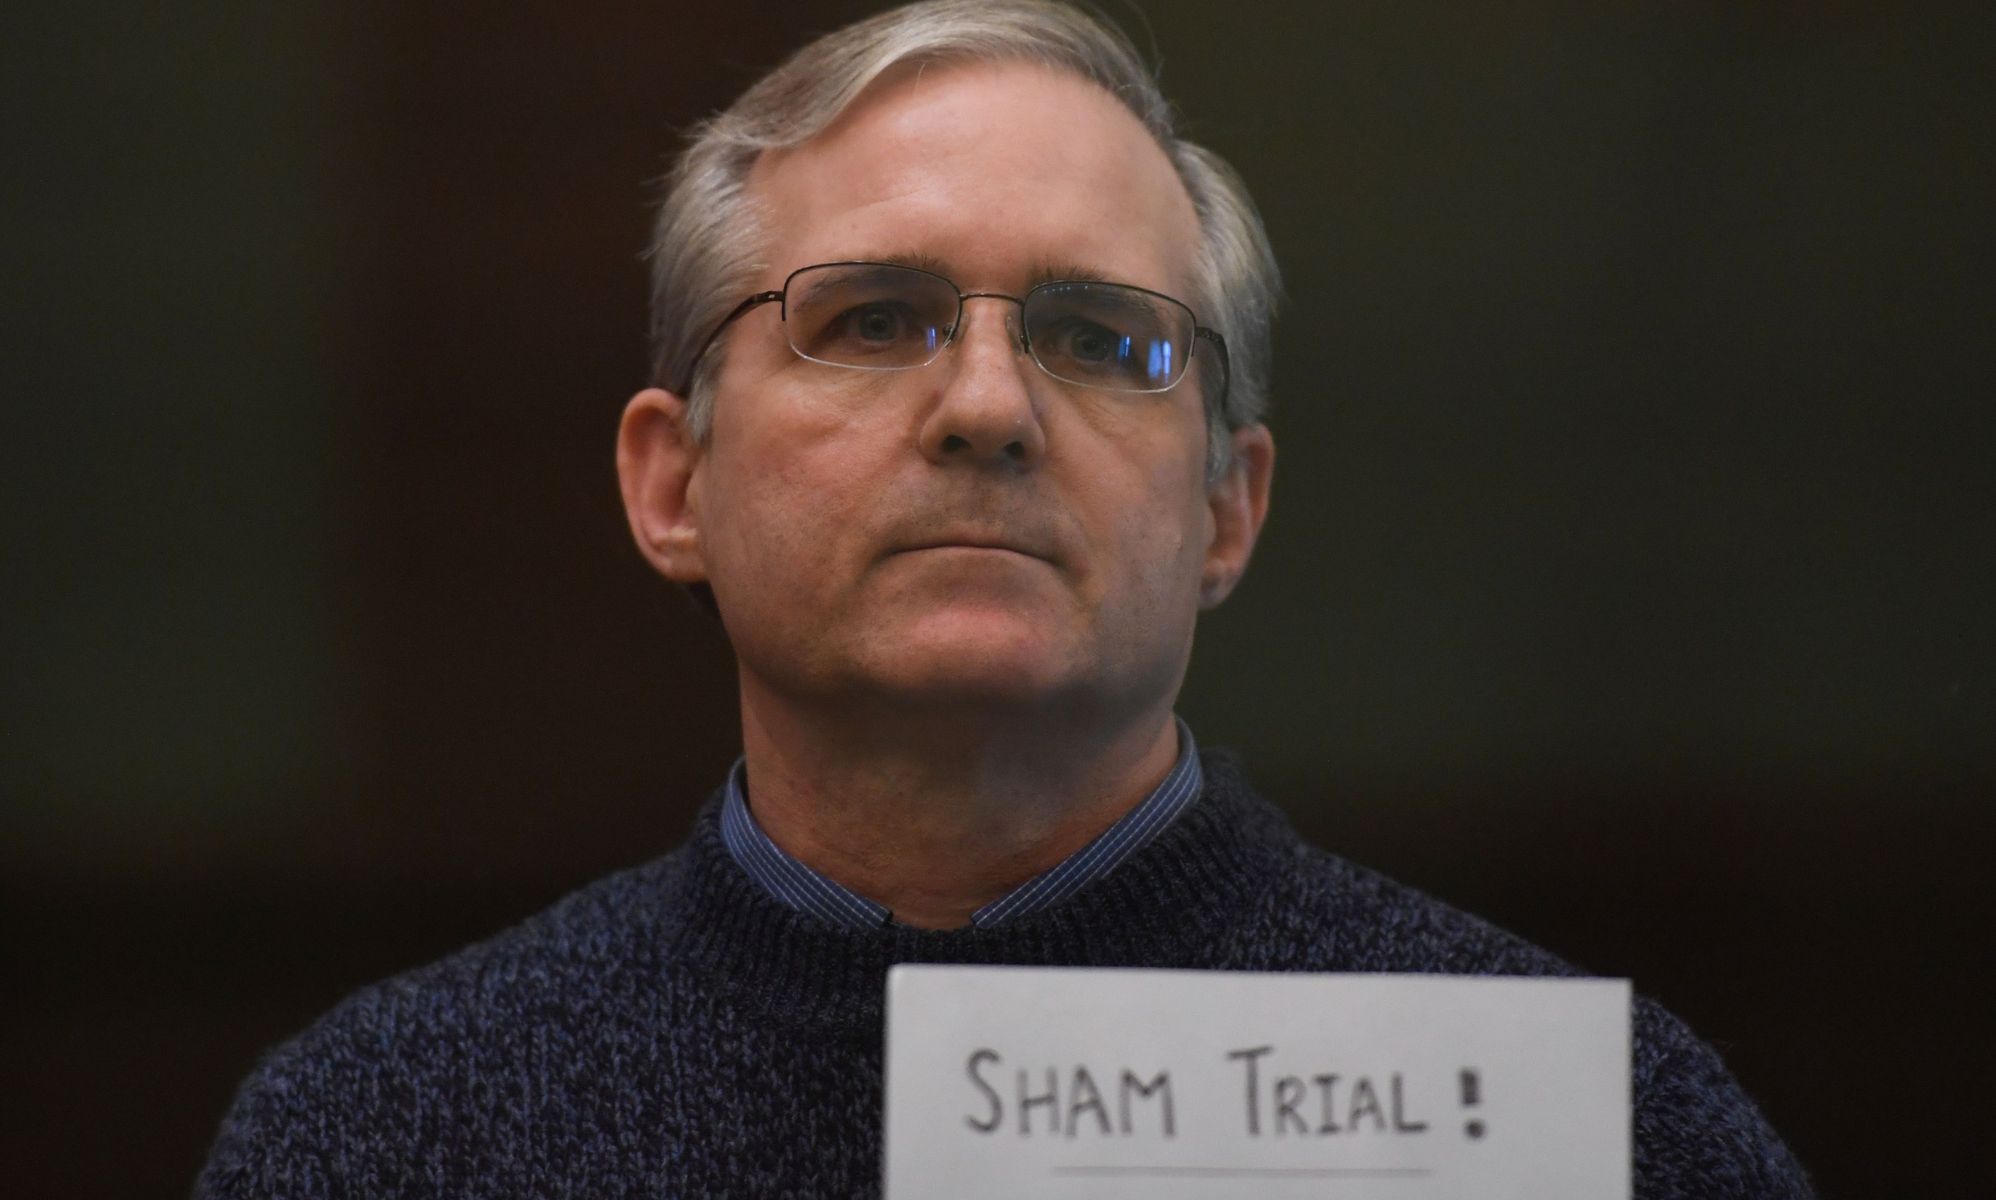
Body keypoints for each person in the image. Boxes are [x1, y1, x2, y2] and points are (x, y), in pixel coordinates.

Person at [196, 2, 1813, 1195]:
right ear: (673, 484)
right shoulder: (382, 1133)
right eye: (874, 318)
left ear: (1227, 509)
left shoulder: (1594, 1131)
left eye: (1102, 338)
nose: (987, 405)